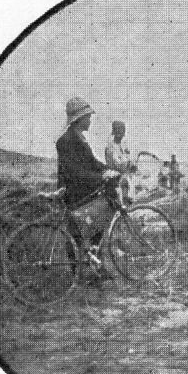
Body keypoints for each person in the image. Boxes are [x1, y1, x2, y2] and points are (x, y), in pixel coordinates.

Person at [56, 97, 114, 277]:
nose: (90, 120)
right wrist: (100, 177)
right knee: (77, 234)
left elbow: (92, 162)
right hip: (75, 192)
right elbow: (74, 172)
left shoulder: (79, 138)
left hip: (83, 190)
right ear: (78, 119)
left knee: (94, 227)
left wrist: (107, 170)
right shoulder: (66, 141)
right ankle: (80, 273)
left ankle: (92, 267)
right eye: (87, 116)